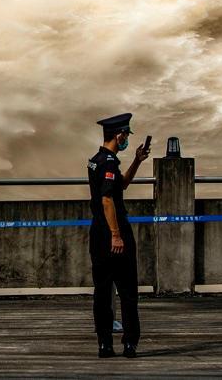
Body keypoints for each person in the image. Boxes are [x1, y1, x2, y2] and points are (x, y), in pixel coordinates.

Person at [87, 112, 150, 358]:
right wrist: (116, 234)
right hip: (113, 232)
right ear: (119, 134)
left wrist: (137, 161)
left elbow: (120, 185)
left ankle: (104, 344)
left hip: (97, 234)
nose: (126, 139)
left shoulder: (96, 159)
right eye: (125, 135)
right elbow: (106, 200)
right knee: (127, 293)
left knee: (102, 292)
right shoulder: (110, 162)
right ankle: (130, 343)